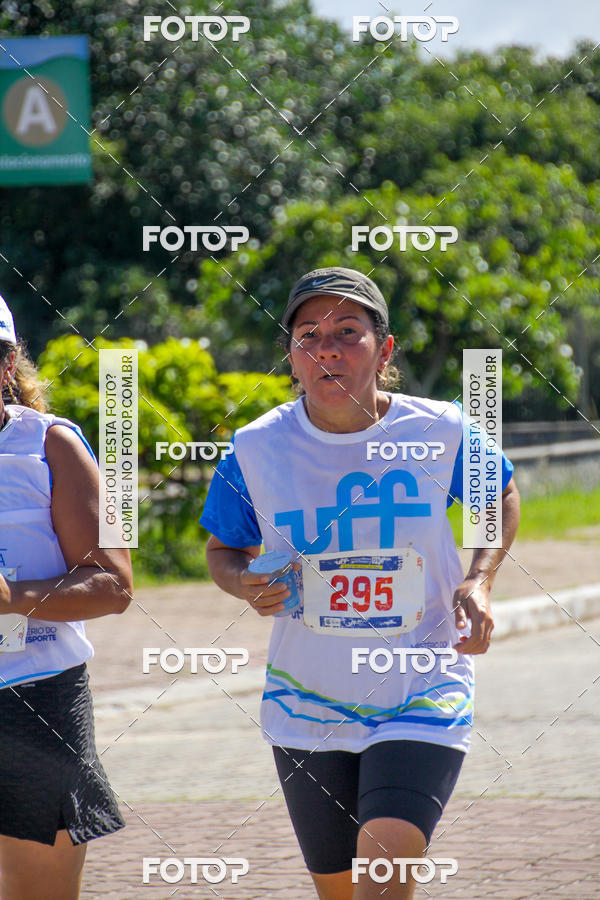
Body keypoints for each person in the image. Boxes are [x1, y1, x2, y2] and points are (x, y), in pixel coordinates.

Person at [200, 267, 520, 900]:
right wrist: (244, 584)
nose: (327, 349)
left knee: (382, 876)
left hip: (421, 687)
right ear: (292, 355)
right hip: (306, 702)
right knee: (341, 891)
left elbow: (500, 494)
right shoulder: (256, 448)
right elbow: (223, 550)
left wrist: (480, 578)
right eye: (308, 335)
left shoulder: (439, 430)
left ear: (384, 349)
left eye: (348, 332)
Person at [0, 295, 133, 899]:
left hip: (34, 697)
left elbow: (113, 584)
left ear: (8, 364)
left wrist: (11, 596)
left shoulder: (51, 444)